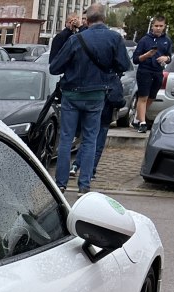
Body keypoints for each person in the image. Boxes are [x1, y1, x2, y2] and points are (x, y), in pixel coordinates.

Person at [48, 4, 129, 194]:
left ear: (88, 20)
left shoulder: (76, 39)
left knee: (67, 138)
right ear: (104, 18)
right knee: (90, 138)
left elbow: (55, 68)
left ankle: (61, 183)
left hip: (72, 94)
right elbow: (124, 64)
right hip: (97, 95)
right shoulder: (115, 38)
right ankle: (84, 184)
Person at [131, 17, 172, 131]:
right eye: (156, 26)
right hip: (145, 70)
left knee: (151, 97)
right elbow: (135, 59)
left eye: (160, 26)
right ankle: (142, 123)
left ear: (164, 27)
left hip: (158, 71)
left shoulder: (167, 40)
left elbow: (169, 57)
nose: (158, 28)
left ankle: (138, 117)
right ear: (152, 26)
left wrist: (166, 58)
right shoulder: (144, 40)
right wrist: (147, 55)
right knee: (143, 96)